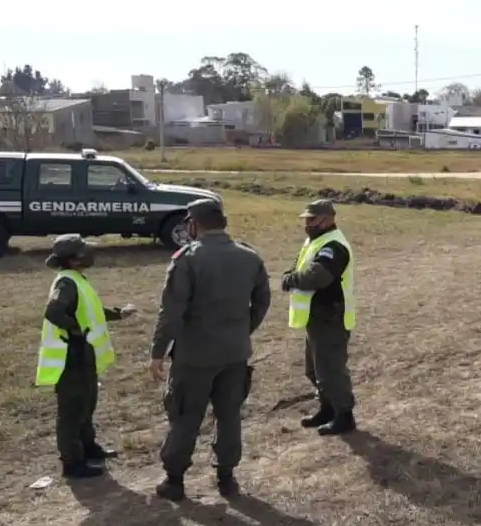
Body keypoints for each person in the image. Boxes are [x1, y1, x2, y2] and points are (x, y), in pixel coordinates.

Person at [149, 198, 271, 502]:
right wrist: (243, 330)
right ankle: (226, 477)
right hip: (235, 353)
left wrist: (158, 352)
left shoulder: (188, 259)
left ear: (194, 224)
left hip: (195, 356)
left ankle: (174, 480)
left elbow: (171, 312)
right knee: (229, 415)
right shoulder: (249, 256)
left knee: (185, 416)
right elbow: (262, 301)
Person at [38, 234, 136, 479]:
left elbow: (90, 310)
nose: (91, 254)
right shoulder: (66, 283)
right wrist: (76, 333)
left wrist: (118, 314)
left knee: (86, 405)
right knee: (72, 412)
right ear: (73, 260)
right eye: (84, 251)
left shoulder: (76, 279)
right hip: (71, 358)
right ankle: (72, 463)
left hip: (83, 357)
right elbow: (54, 311)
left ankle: (89, 449)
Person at [281, 199, 357, 436]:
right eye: (306, 219)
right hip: (316, 317)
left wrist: (290, 280)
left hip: (330, 317)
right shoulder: (316, 241)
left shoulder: (334, 246)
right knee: (314, 370)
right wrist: (292, 275)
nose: (307, 223)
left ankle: (344, 416)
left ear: (327, 219)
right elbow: (300, 268)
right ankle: (327, 409)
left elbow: (317, 277)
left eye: (311, 219)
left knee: (330, 370)